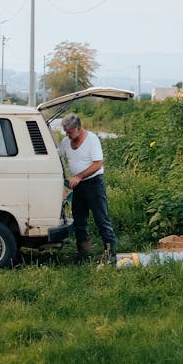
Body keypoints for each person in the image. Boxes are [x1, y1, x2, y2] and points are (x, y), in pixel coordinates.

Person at [58, 113, 116, 265]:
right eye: (65, 132)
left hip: (94, 184)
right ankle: (84, 253)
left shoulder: (92, 140)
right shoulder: (66, 141)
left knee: (101, 219)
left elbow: (98, 164)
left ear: (78, 128)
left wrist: (79, 176)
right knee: (79, 220)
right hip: (77, 186)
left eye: (69, 132)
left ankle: (111, 254)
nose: (67, 135)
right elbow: (57, 155)